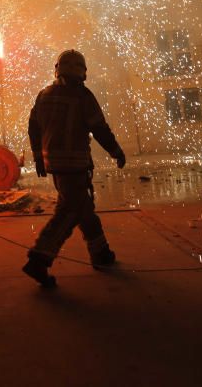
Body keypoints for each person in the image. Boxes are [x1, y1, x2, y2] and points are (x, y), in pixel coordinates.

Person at [22, 49, 126, 287]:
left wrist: (38, 157)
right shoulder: (82, 96)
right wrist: (116, 151)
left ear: (57, 68)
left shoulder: (44, 94)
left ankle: (101, 254)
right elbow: (99, 128)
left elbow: (33, 126)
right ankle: (39, 260)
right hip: (75, 167)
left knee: (84, 210)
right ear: (82, 71)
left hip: (55, 167)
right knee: (68, 215)